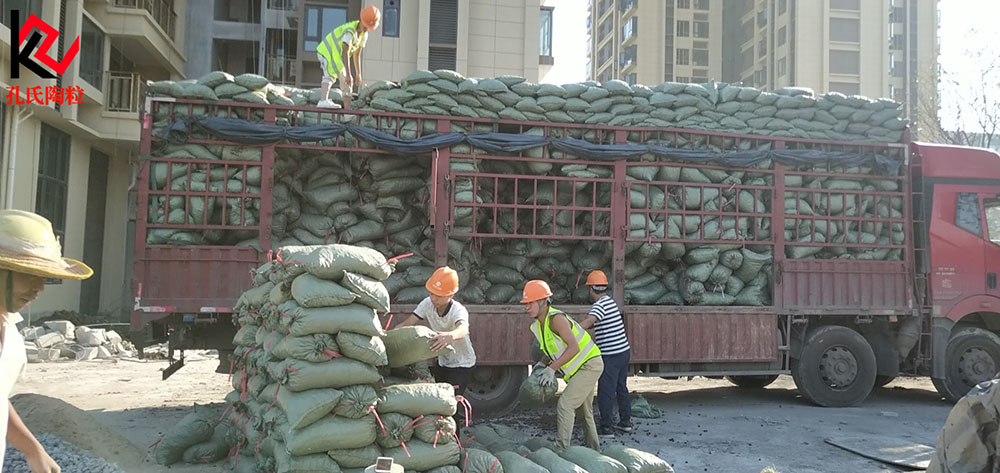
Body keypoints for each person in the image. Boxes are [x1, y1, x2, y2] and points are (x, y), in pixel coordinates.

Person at [0, 209, 94, 472]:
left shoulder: (11, 331)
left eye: (43, 277)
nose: (39, 287)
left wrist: (33, 450)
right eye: (30, 274)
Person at [523, 279, 604, 450]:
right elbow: (551, 349)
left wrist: (551, 369)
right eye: (526, 303)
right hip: (580, 369)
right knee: (584, 411)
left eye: (530, 303)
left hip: (589, 365)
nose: (527, 307)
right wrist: (541, 364)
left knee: (565, 404)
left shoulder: (557, 319)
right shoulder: (538, 325)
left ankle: (561, 449)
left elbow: (574, 348)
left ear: (543, 301)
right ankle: (594, 449)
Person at [396, 266, 476, 422]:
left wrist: (450, 336)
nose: (434, 298)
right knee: (439, 402)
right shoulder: (427, 304)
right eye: (431, 293)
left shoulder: (458, 310)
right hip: (443, 362)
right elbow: (407, 324)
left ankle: (454, 436)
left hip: (462, 365)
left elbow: (463, 329)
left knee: (450, 405)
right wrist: (389, 335)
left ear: (451, 295)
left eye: (439, 295)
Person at [578, 270, 632, 437]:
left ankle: (606, 427)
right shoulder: (610, 302)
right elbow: (599, 323)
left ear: (591, 289)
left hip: (611, 355)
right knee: (621, 387)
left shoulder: (599, 305)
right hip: (623, 352)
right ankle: (625, 422)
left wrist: (572, 330)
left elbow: (590, 321)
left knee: (606, 391)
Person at [315, 5, 382, 109]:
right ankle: (323, 100)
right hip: (327, 52)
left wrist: (358, 74)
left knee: (347, 82)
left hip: (337, 57)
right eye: (365, 27)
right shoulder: (350, 31)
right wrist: (349, 74)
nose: (366, 29)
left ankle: (347, 110)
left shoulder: (364, 35)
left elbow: (357, 54)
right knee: (330, 75)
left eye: (369, 28)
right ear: (361, 21)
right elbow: (345, 52)